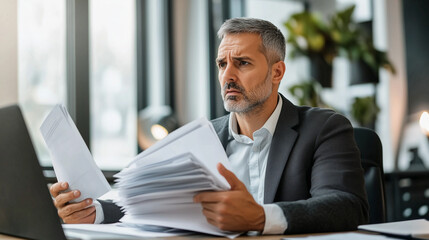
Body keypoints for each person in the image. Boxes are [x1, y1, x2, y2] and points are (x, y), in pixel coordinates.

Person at [50, 17, 368, 234]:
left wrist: (261, 217)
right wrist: (96, 212)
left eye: (242, 63)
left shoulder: (324, 127)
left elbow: (346, 206)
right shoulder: (202, 138)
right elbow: (155, 205)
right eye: (221, 64)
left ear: (276, 72)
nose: (227, 76)